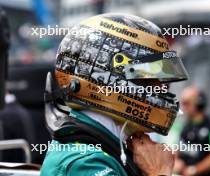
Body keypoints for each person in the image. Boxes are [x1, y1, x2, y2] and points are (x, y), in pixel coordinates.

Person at [41, 13, 189, 176]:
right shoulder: (85, 163)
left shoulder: (110, 147)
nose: (161, 88)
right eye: (148, 79)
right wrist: (158, 172)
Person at [174, 86, 210, 176]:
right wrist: (176, 162)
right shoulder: (186, 126)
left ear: (199, 103)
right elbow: (178, 148)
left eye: (186, 103)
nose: (183, 107)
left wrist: (194, 170)